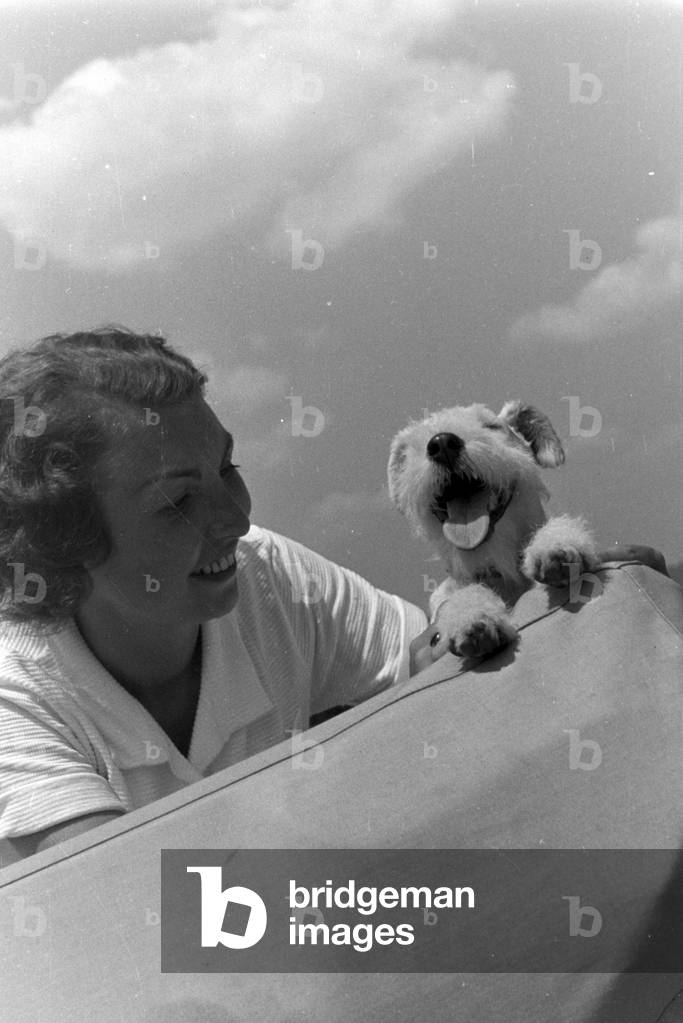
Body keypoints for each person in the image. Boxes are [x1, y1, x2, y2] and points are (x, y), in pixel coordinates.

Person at [0, 328, 667, 862]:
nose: (235, 518)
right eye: (176, 500)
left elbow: (425, 662)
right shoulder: (16, 695)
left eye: (227, 466)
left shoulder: (267, 572)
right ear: (61, 545)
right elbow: (118, 912)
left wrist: (555, 607)